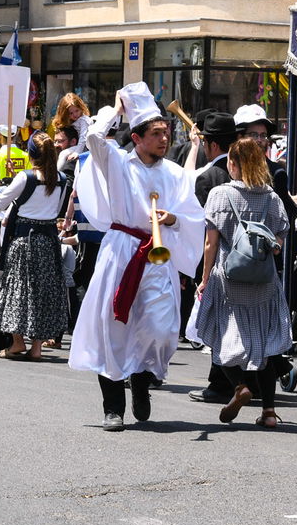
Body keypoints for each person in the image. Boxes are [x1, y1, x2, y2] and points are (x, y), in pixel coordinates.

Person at [69, 83, 204, 431]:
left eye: (167, 132)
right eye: (157, 133)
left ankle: (142, 377)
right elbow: (94, 138)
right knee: (113, 328)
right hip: (122, 250)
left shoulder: (174, 173)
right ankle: (113, 407)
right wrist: (115, 109)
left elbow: (193, 215)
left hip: (158, 256)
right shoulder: (116, 162)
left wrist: (172, 219)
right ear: (137, 137)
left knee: (160, 326)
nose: (164, 139)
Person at [193, 137, 291, 427]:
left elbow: (211, 243)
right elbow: (279, 242)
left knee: (222, 334)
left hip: (229, 276)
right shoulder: (272, 198)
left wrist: (204, 276)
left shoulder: (220, 195)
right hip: (264, 280)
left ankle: (240, 386)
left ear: (232, 164)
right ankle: (270, 412)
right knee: (265, 343)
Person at [0, 132, 71, 361]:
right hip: (48, 241)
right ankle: (36, 347)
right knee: (42, 293)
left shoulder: (25, 178)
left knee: (16, 289)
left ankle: (17, 342)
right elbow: (55, 209)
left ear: (30, 154)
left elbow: (0, 202)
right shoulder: (61, 180)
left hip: (24, 241)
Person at [187, 111, 244, 406]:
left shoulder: (207, 177)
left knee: (218, 323)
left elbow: (203, 230)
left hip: (218, 260)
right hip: (250, 261)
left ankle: (221, 383)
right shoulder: (250, 172)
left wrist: (202, 273)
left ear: (209, 144)